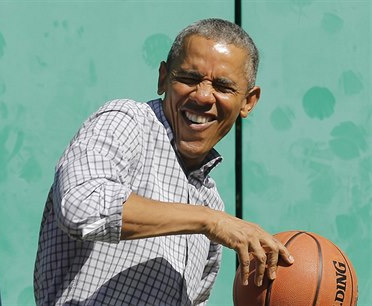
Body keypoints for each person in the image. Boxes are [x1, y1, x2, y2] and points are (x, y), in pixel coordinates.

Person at [34, 18, 294, 305]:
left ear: (248, 102)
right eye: (190, 78)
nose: (203, 95)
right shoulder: (128, 121)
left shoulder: (211, 203)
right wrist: (208, 221)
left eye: (222, 86)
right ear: (163, 78)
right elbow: (80, 206)